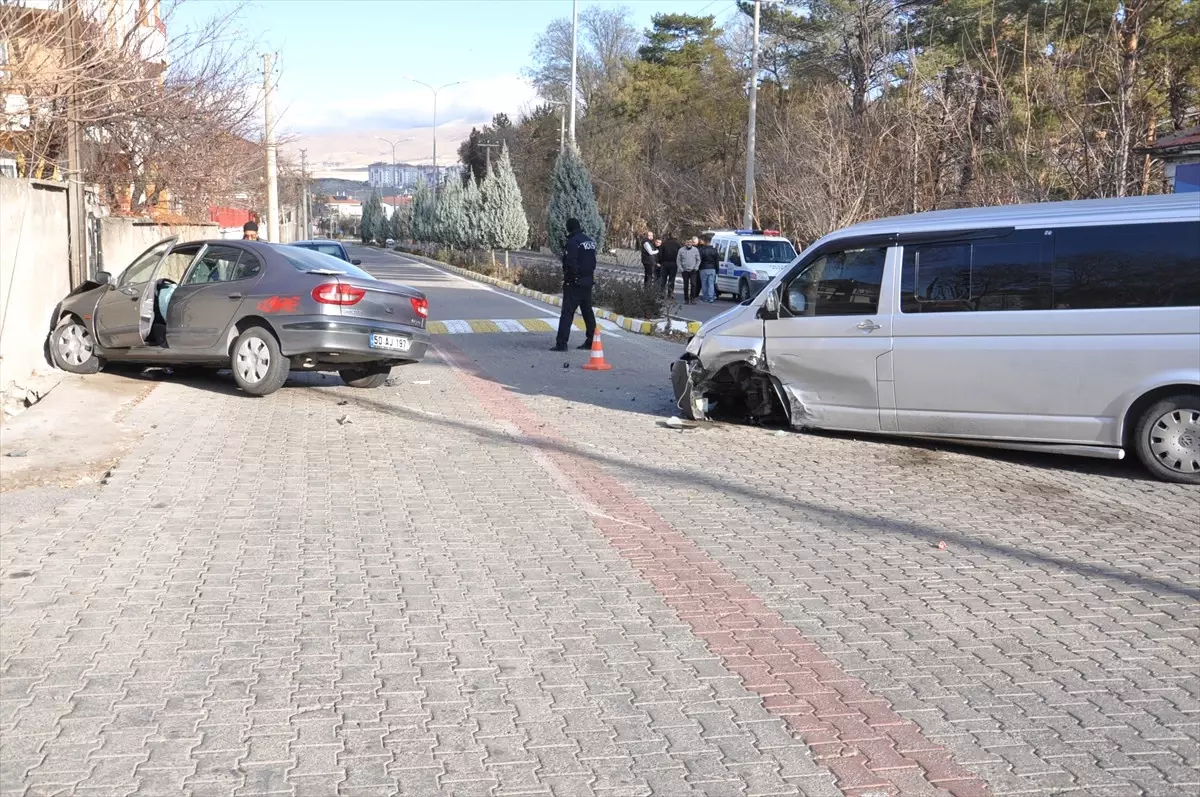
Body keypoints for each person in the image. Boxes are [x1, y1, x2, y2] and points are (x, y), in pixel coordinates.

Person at [552, 218, 598, 352]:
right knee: (588, 312)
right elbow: (593, 262)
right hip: (588, 281)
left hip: (575, 283)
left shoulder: (573, 242)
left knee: (567, 313)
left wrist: (572, 278)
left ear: (569, 228)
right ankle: (592, 340)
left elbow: (570, 263)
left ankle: (561, 343)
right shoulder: (589, 241)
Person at [677, 237, 701, 304]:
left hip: (693, 270)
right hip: (685, 271)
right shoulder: (681, 250)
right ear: (685, 243)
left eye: (690, 242)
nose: (689, 243)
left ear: (692, 243)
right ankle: (686, 299)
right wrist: (681, 269)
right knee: (685, 285)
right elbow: (678, 260)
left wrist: (696, 268)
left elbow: (698, 260)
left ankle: (692, 298)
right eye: (687, 242)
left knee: (693, 285)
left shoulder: (695, 250)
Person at [698, 234, 720, 302]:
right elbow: (717, 261)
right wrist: (717, 270)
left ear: (704, 241)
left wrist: (699, 268)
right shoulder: (714, 250)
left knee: (704, 283)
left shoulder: (702, 250)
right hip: (712, 268)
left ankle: (705, 297)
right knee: (711, 284)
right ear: (711, 241)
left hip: (704, 268)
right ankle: (711, 297)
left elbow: (699, 260)